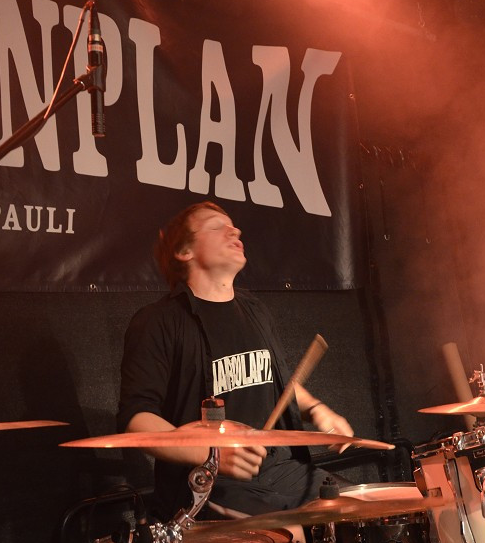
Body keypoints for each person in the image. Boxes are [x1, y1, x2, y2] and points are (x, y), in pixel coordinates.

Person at [118, 201, 354, 520]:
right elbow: (137, 421)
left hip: (281, 472)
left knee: (357, 513)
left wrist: (317, 410)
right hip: (208, 483)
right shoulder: (157, 322)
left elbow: (279, 385)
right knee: (291, 536)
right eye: (217, 226)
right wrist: (212, 454)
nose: (235, 231)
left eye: (234, 227)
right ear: (184, 251)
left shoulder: (255, 311)